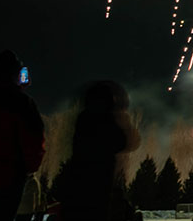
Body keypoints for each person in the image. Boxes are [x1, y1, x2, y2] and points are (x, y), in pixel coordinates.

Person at [0, 50, 45, 221]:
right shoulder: (23, 104)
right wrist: (29, 168)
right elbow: (34, 140)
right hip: (8, 177)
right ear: (16, 74)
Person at [59, 80, 141, 221]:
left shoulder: (83, 118)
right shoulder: (106, 120)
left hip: (77, 182)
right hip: (99, 183)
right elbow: (127, 142)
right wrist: (123, 120)